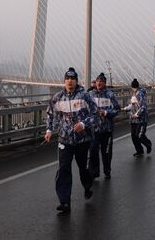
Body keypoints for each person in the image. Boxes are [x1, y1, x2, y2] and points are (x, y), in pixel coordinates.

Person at [44, 67, 98, 213]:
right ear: (64, 81)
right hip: (64, 139)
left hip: (82, 140)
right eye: (67, 79)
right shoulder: (58, 97)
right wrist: (49, 130)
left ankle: (87, 186)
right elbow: (50, 114)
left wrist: (83, 124)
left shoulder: (84, 96)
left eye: (72, 79)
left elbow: (95, 114)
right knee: (63, 169)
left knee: (83, 168)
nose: (70, 81)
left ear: (76, 81)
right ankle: (64, 202)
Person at [88, 72, 120, 179]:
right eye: (97, 81)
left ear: (105, 83)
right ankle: (95, 172)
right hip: (94, 129)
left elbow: (117, 109)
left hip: (107, 129)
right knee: (93, 151)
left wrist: (106, 113)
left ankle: (107, 170)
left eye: (101, 81)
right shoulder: (91, 94)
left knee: (106, 152)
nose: (98, 83)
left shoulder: (110, 95)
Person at [124, 79, 152, 157]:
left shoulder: (140, 94)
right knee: (134, 136)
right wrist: (125, 108)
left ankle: (148, 144)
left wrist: (137, 114)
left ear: (132, 87)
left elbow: (143, 106)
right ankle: (139, 151)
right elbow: (132, 105)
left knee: (139, 135)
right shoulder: (134, 94)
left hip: (140, 119)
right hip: (133, 119)